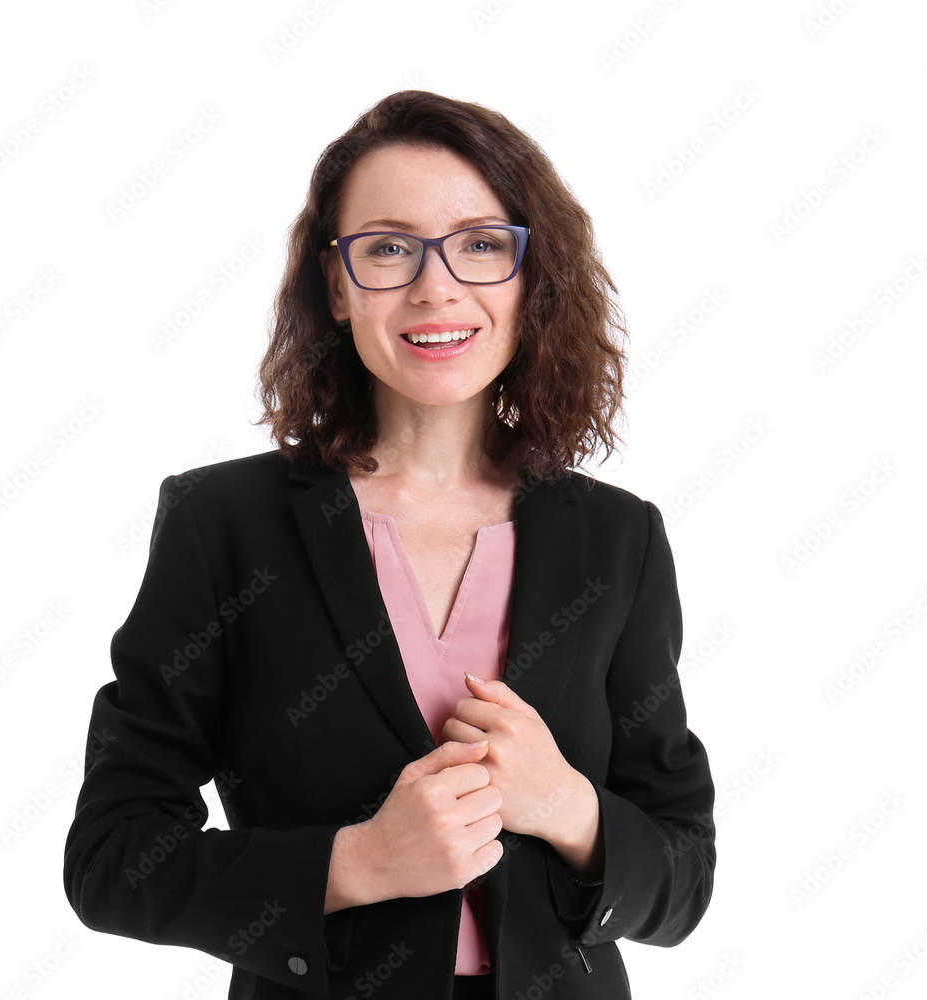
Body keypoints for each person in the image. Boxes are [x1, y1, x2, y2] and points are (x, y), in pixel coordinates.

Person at [63, 90, 716, 1000]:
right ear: (336, 285)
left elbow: (685, 877)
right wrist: (358, 863)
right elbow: (112, 856)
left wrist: (567, 806)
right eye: (387, 249)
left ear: (531, 276)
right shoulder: (224, 524)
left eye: (480, 245)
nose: (435, 288)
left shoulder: (618, 538)